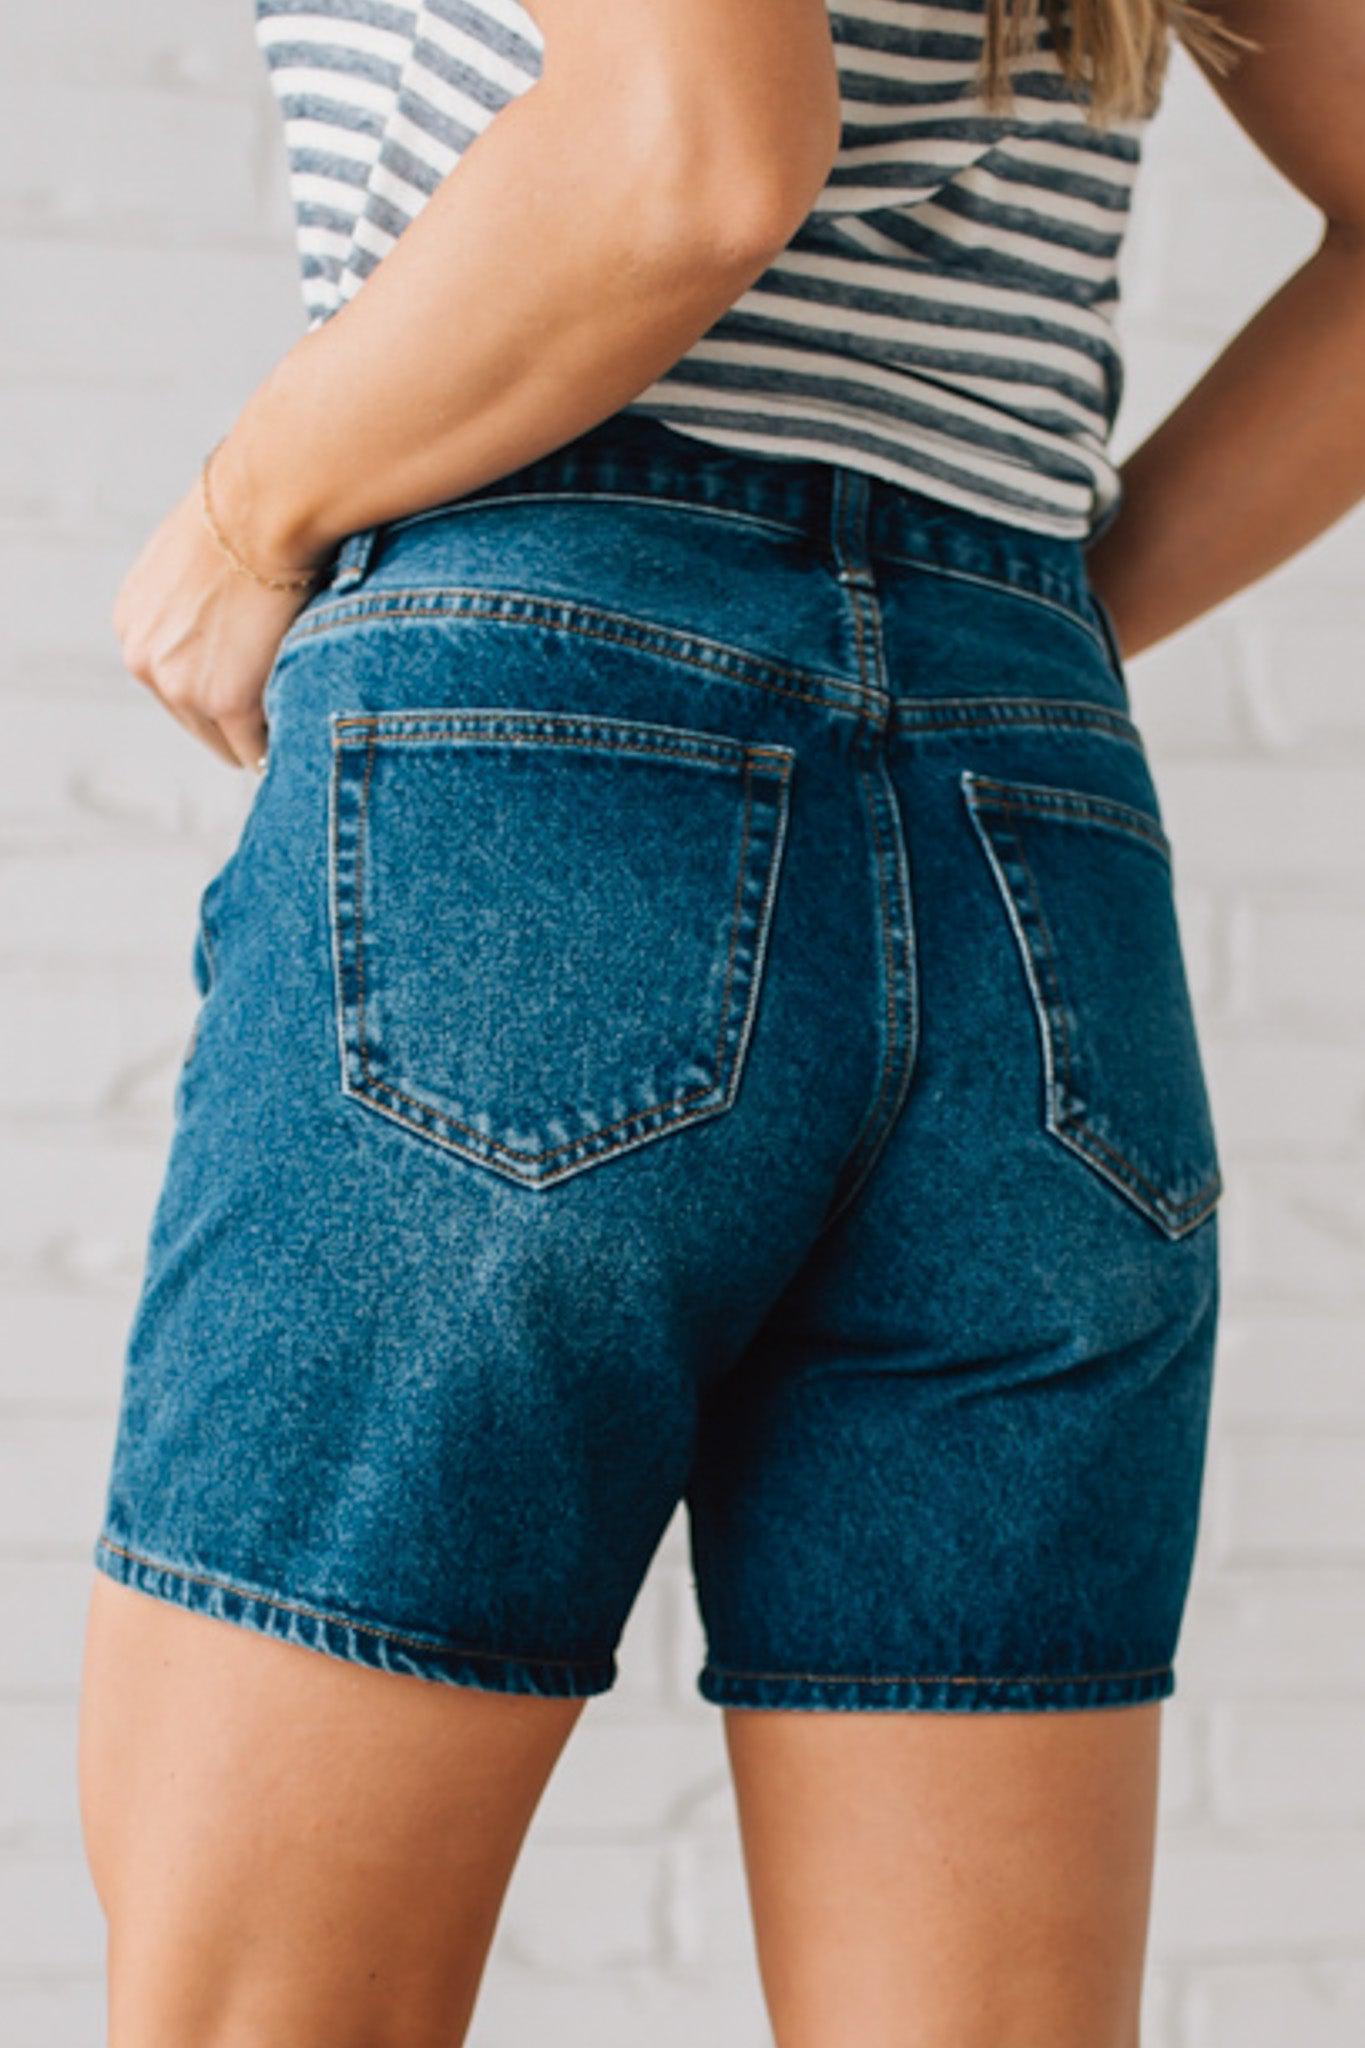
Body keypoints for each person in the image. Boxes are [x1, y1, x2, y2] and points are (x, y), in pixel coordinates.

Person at [78, 3, 1362, 2044]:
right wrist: (1005, 650)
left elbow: (698, 147)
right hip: (1028, 818)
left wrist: (247, 514)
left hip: (542, 732)